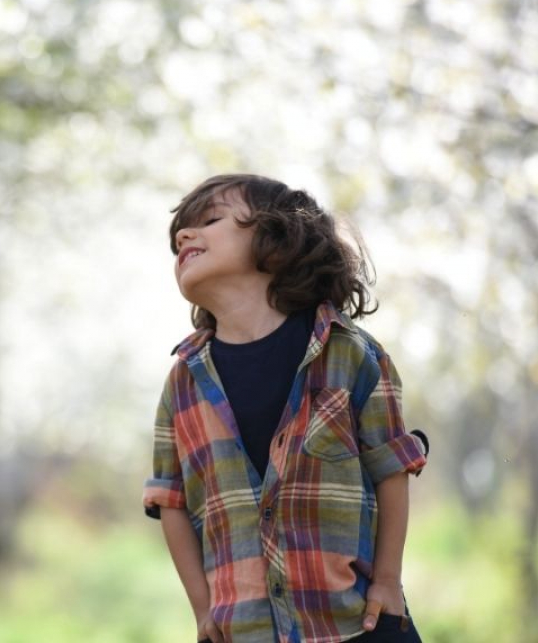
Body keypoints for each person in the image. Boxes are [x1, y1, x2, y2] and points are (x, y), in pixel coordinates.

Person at [143, 174, 429, 643]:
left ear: (277, 240)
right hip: (246, 631)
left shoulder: (350, 354)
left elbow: (391, 467)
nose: (183, 237)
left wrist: (387, 581)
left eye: (210, 220)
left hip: (356, 625)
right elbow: (169, 501)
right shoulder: (182, 384)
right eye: (179, 236)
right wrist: (202, 609)